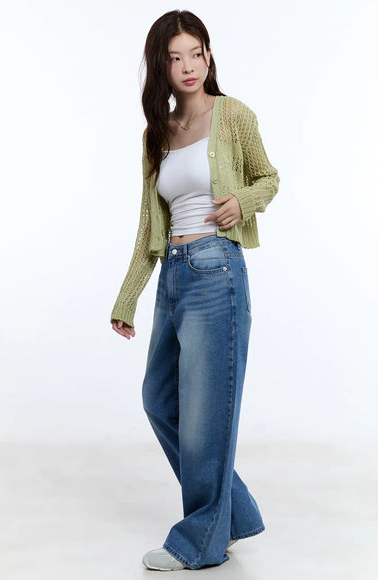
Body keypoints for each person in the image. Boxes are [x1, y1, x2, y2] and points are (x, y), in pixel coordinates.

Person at [110, 9, 280, 571]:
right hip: (174, 275)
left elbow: (268, 177)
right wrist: (128, 296)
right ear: (161, 66)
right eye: (174, 57)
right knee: (159, 400)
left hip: (216, 271)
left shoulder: (233, 116)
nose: (188, 66)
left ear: (208, 56)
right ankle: (233, 514)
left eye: (196, 53)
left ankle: (201, 542)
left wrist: (243, 203)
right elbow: (148, 225)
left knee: (206, 415)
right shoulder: (156, 133)